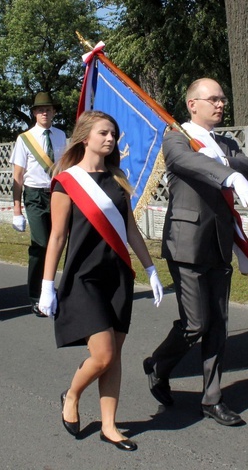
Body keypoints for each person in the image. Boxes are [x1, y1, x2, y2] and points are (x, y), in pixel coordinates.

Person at [39, 110, 164, 451]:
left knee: (115, 354)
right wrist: (47, 285)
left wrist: (151, 269)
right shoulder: (67, 182)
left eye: (113, 134)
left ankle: (110, 425)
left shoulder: (118, 180)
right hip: (83, 278)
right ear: (84, 137)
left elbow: (131, 231)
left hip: (117, 275)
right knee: (103, 354)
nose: (110, 139)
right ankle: (72, 394)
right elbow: (58, 237)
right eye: (104, 133)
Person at [143, 78, 248, 426]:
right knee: (195, 324)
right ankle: (158, 364)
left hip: (219, 241)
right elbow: (185, 163)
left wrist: (226, 161)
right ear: (192, 104)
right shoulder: (177, 137)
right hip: (187, 240)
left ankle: (212, 398)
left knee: (218, 324)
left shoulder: (224, 143)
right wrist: (227, 172)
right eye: (213, 99)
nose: (221, 104)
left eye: (223, 99)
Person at [10, 92, 67, 317]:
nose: (44, 113)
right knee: (41, 244)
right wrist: (16, 210)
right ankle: (37, 294)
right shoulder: (25, 139)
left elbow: (65, 167)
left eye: (48, 109)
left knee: (58, 243)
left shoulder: (61, 136)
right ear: (34, 113)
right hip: (34, 195)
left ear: (54, 112)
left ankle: (50, 289)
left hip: (57, 193)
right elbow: (18, 175)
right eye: (40, 109)